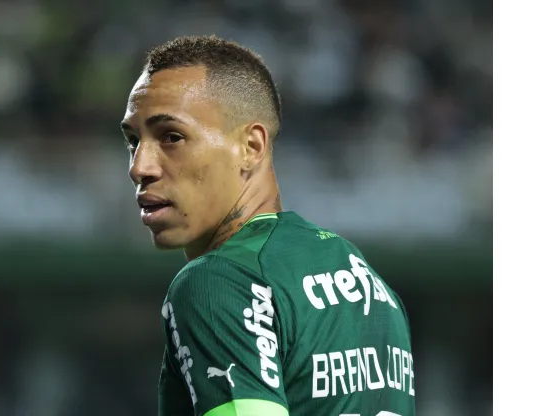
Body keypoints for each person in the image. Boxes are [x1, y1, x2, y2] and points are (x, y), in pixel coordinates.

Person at [120, 35, 415, 416]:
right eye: (133, 140)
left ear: (251, 147)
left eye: (172, 137)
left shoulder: (218, 281)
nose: (139, 167)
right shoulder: (367, 282)